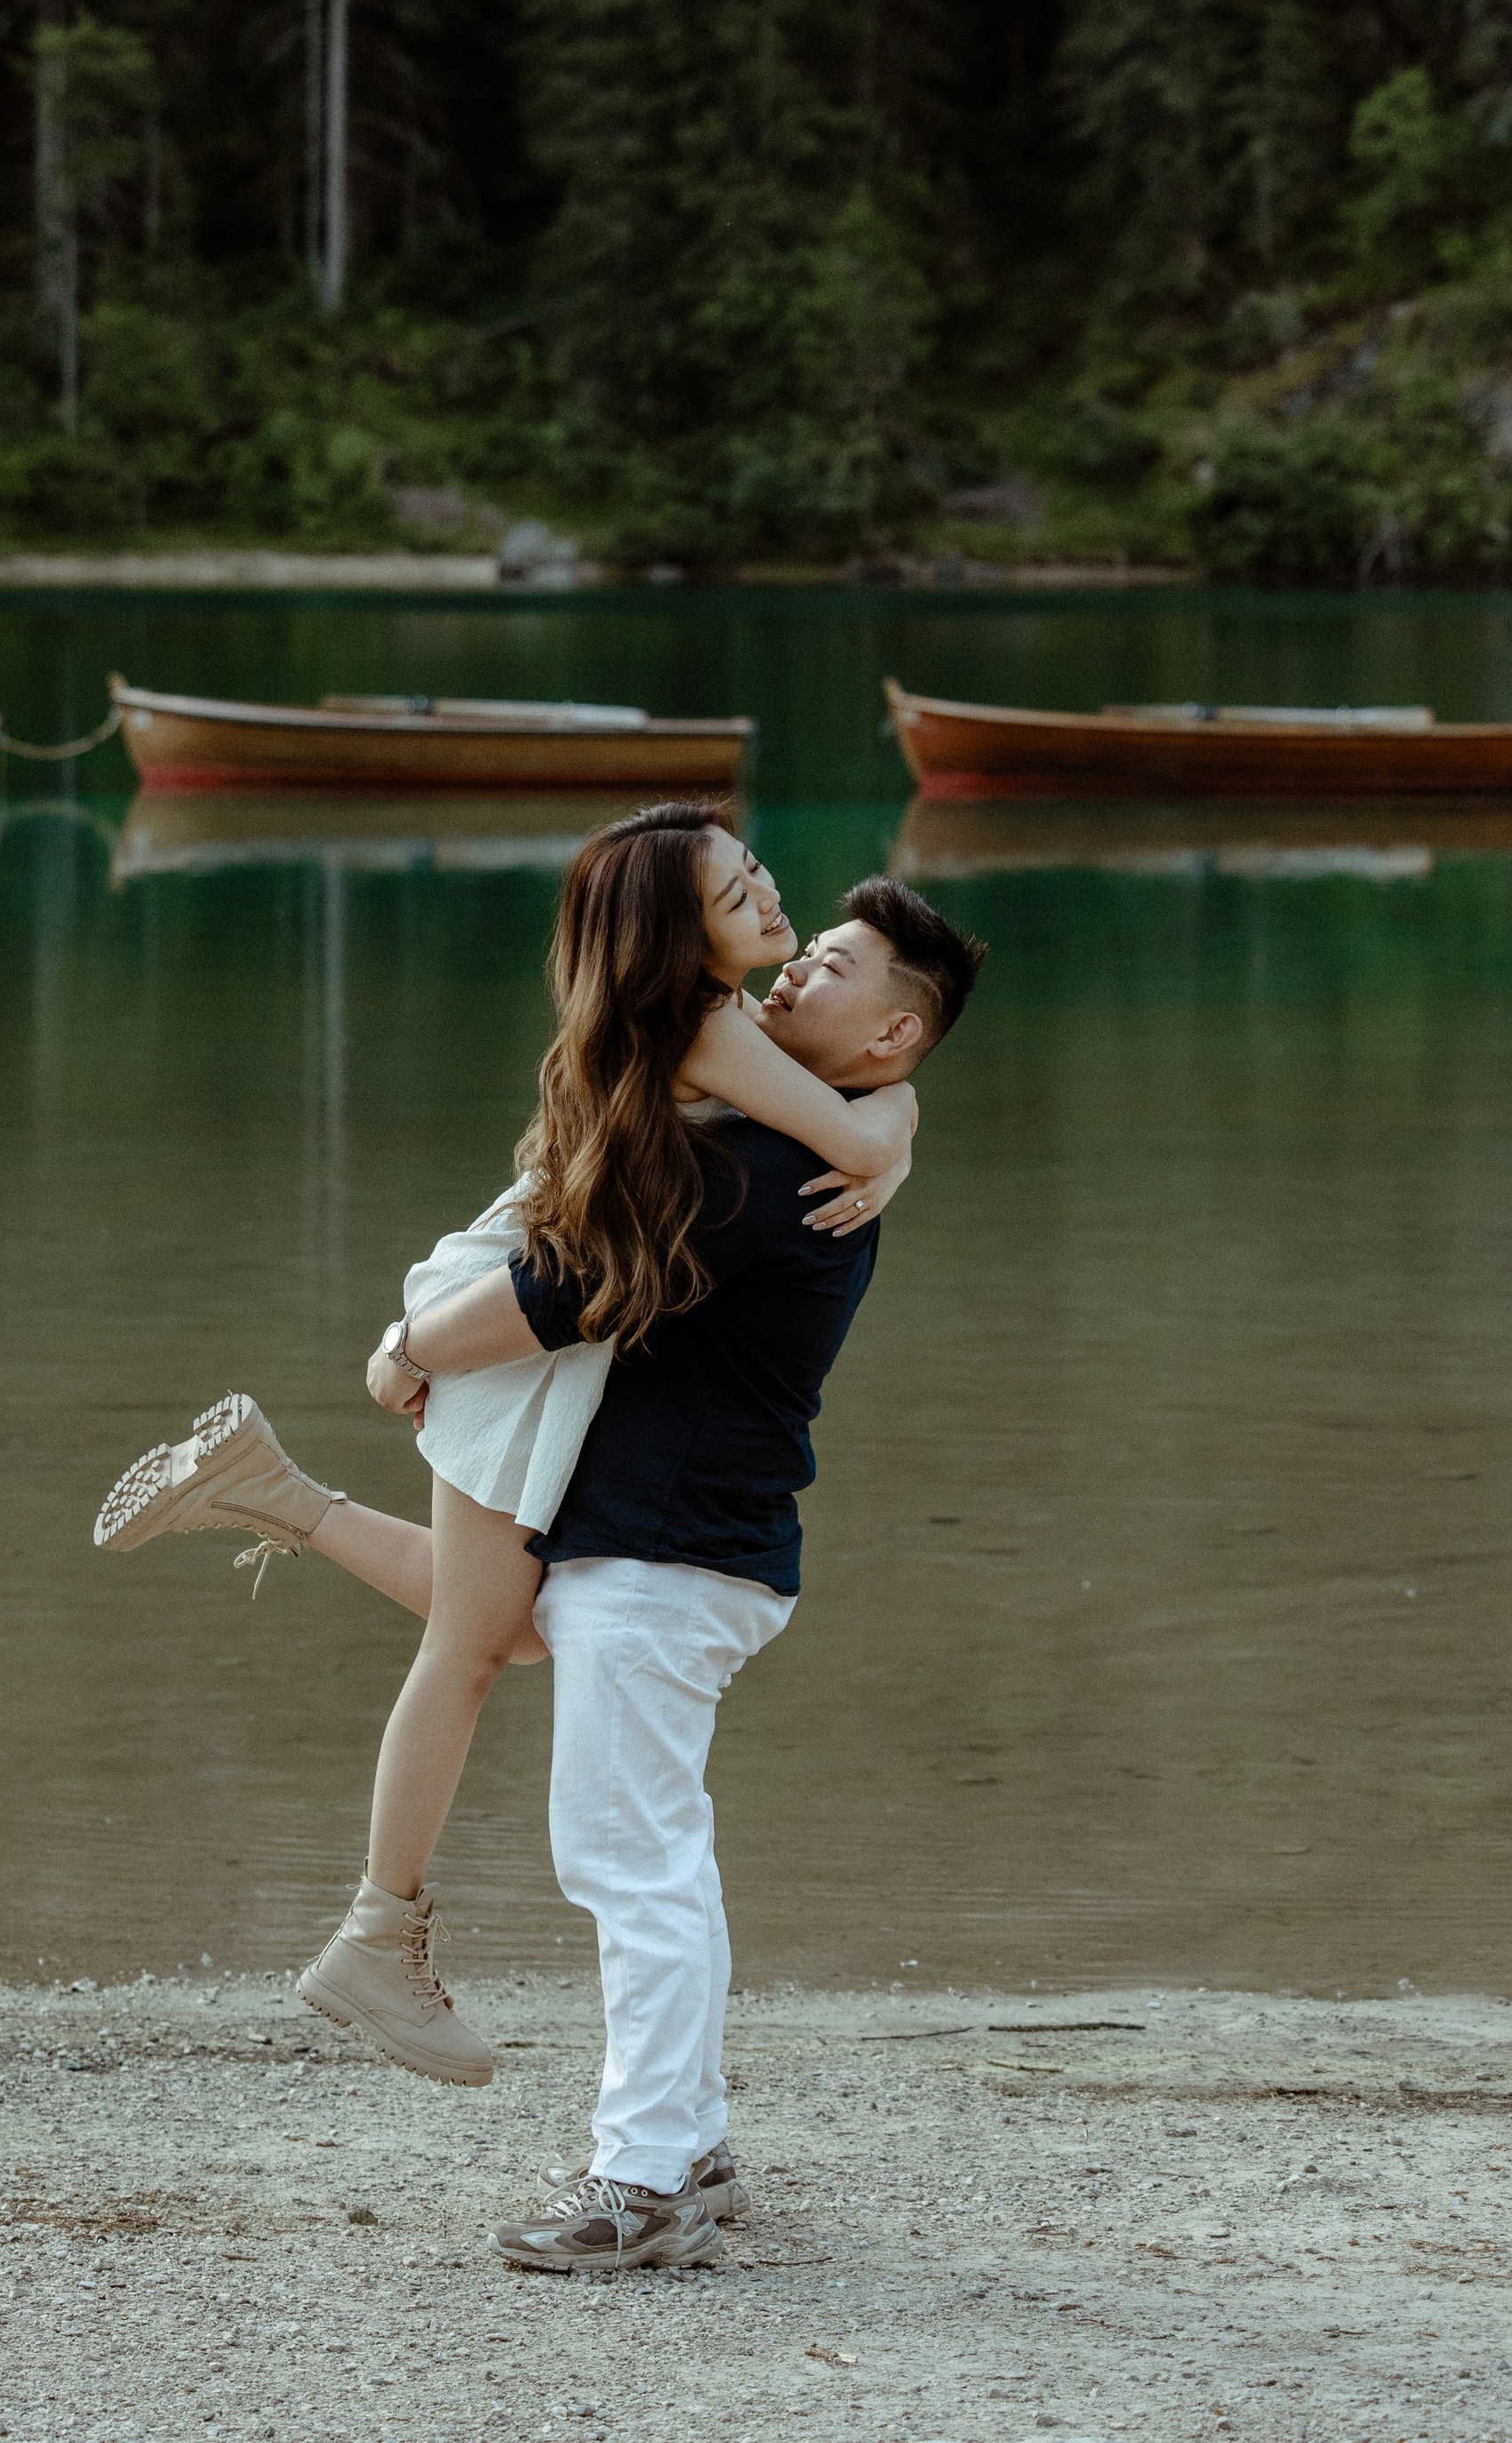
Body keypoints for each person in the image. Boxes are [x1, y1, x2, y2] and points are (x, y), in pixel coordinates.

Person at [94, 811, 925, 2085]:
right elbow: (855, 1135)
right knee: (478, 1641)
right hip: (510, 1308)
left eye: (761, 871)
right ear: (675, 931)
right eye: (737, 889)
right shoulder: (709, 1022)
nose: (770, 898)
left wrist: (901, 1108)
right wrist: (894, 1131)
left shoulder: (702, 1023)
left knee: (516, 1625)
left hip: (524, 1298)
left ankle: (272, 1492)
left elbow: (864, 1102)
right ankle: (379, 1932)